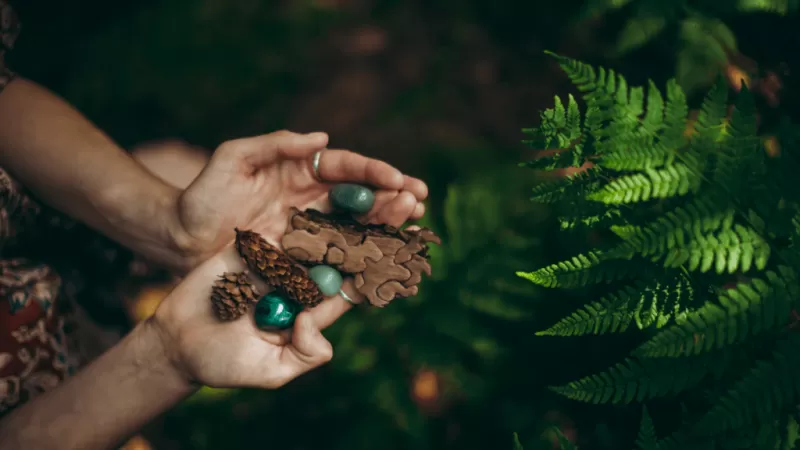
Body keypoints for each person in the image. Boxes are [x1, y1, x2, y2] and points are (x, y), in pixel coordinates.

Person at [0, 2, 429, 449]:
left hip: (47, 223)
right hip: (62, 390)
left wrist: (169, 223)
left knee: (175, 165)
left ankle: (138, 263)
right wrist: (166, 359)